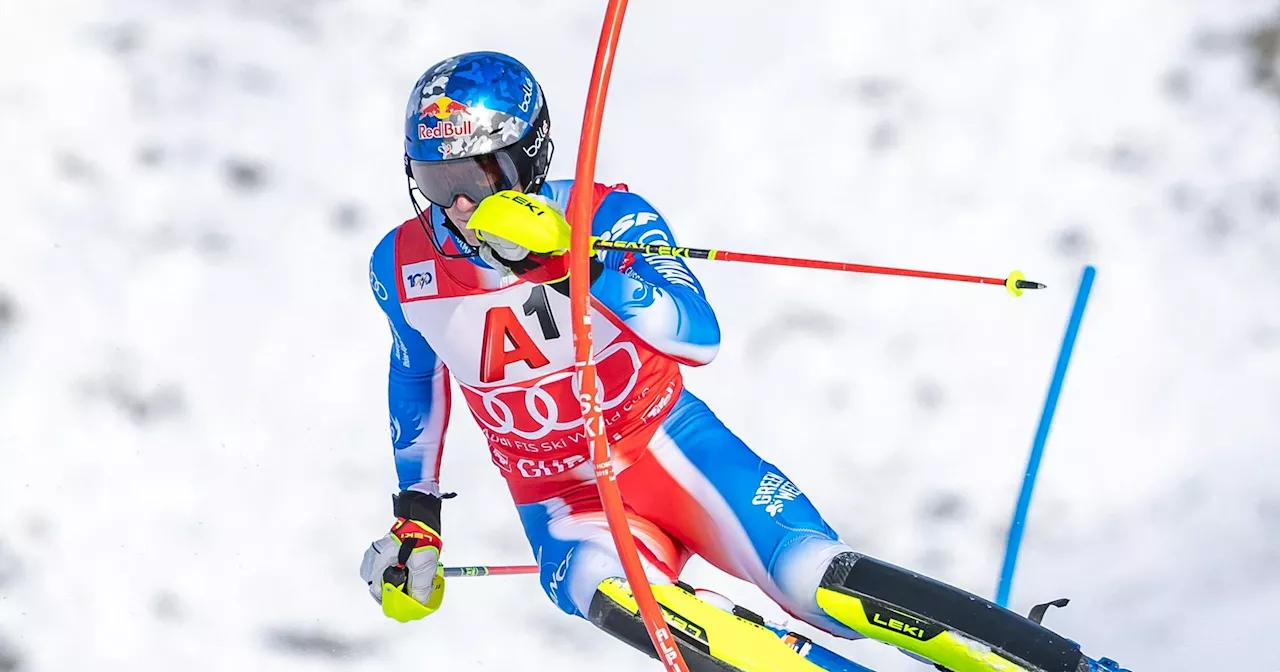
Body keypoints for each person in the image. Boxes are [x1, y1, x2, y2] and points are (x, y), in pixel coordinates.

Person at [359, 51, 1119, 672]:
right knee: (628, 604)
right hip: (561, 498)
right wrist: (416, 515)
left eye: (476, 178)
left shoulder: (607, 214)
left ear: (526, 157)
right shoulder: (401, 265)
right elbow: (415, 372)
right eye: (436, 182)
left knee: (813, 580)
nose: (456, 208)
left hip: (671, 448)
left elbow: (697, 335)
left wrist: (574, 262)